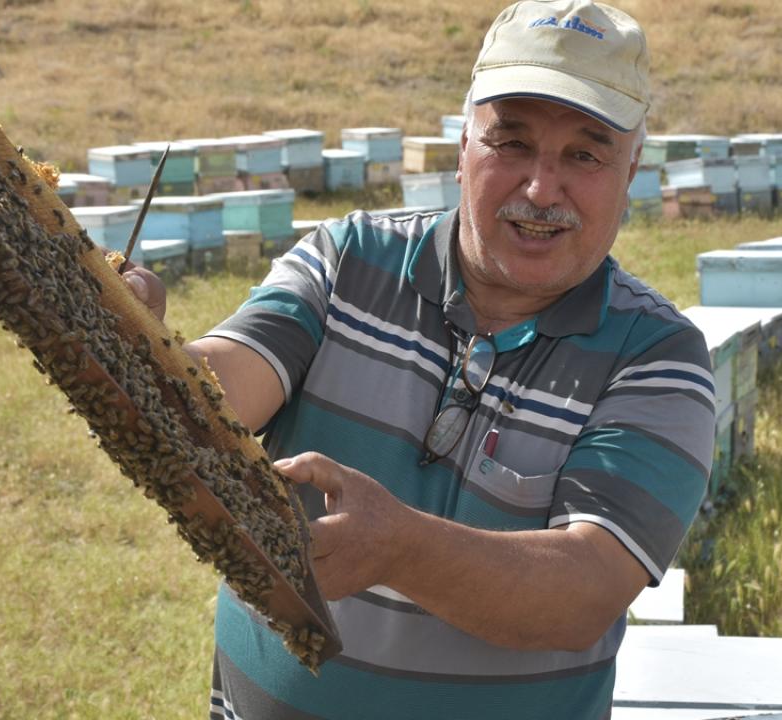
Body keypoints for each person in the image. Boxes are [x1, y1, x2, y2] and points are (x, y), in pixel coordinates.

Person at [123, 1, 715, 717]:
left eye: (584, 155)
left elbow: (581, 592)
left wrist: (400, 548)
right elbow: (223, 385)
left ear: (631, 172)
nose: (540, 188)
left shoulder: (658, 359)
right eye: (512, 143)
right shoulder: (348, 260)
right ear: (464, 143)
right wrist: (136, 342)